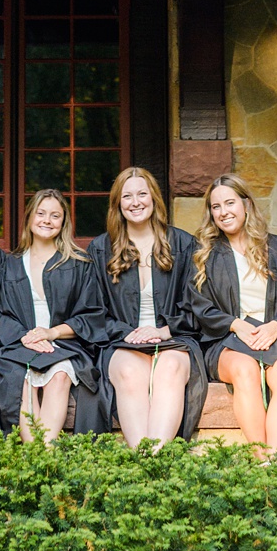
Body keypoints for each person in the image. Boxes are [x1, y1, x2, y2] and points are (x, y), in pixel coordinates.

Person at [89, 167, 207, 447]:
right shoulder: (101, 248)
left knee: (170, 369)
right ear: (118, 203)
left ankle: (152, 463)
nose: (135, 202)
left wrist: (166, 331)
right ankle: (148, 464)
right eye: (127, 196)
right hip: (121, 340)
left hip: (175, 338)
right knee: (129, 373)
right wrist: (126, 332)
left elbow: (198, 305)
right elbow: (93, 310)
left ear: (154, 199)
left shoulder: (183, 244)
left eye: (142, 194)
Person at [192, 174, 277, 454]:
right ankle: (261, 460)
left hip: (274, 333)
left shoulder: (276, 247)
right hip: (227, 339)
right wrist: (234, 324)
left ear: (246, 204)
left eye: (230, 203)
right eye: (216, 207)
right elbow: (198, 305)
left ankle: (272, 462)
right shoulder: (205, 254)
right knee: (245, 370)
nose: (223, 212)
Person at [0, 187, 105, 443]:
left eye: (55, 215)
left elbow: (91, 313)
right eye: (41, 213)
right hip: (20, 343)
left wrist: (52, 333)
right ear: (29, 218)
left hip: (65, 344)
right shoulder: (10, 264)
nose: (47, 220)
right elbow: (0, 312)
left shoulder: (78, 263)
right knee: (23, 377)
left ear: (63, 222)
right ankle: (37, 455)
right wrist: (27, 337)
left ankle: (46, 453)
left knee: (60, 374)